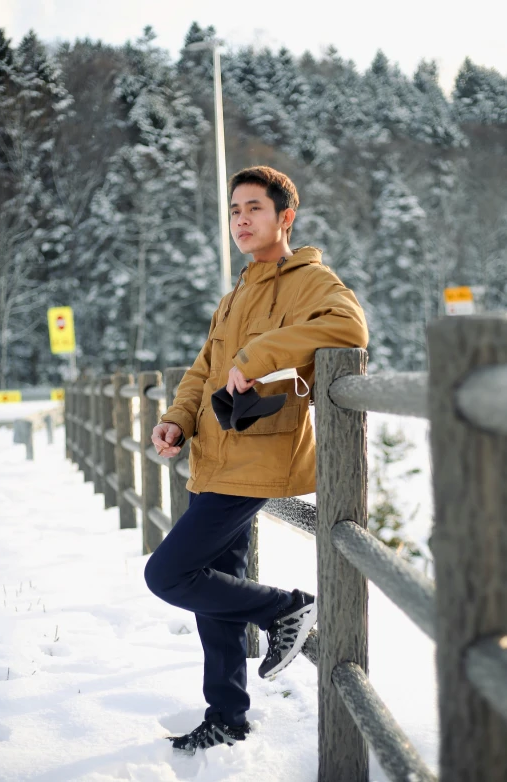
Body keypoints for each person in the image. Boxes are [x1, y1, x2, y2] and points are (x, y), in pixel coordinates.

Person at [145, 166, 368, 754]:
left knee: (169, 575)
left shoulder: (310, 280)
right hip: (215, 459)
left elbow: (350, 328)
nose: (241, 220)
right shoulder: (237, 292)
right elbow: (202, 372)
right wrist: (177, 420)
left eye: (254, 209)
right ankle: (227, 715)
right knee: (213, 594)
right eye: (235, 211)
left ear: (284, 217)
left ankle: (288, 608)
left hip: (258, 456)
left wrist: (260, 352)